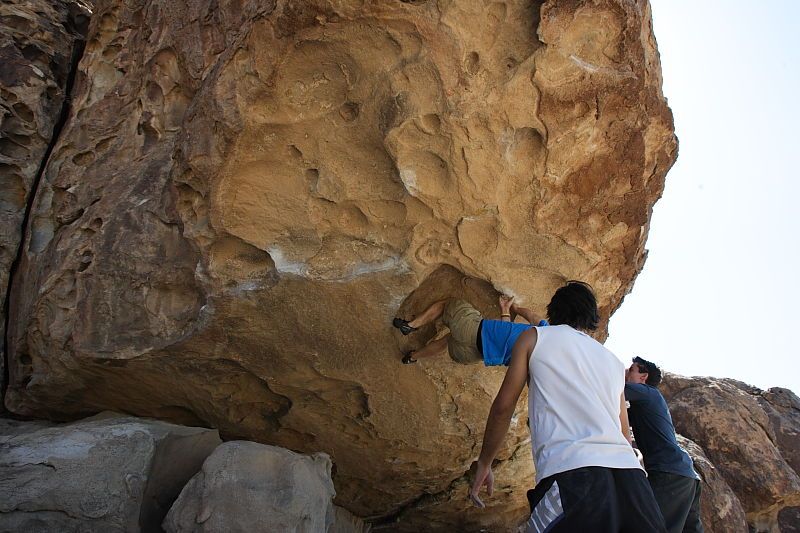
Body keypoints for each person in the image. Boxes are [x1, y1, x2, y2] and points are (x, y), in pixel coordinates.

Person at [469, 281, 667, 532]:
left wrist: (485, 462)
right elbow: (624, 436)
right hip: (633, 483)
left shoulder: (534, 337)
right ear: (591, 317)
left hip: (573, 475)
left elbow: (503, 407)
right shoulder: (614, 363)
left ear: (554, 311)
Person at [625, 357, 704, 533]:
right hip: (686, 475)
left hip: (669, 473)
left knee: (649, 525)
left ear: (643, 377)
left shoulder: (647, 392)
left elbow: (609, 388)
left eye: (631, 370)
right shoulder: (646, 404)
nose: (625, 373)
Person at [392, 296, 548, 365]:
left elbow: (531, 316)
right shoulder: (538, 362)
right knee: (449, 339)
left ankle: (411, 325)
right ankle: (412, 357)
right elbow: (503, 338)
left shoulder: (549, 332)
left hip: (472, 330)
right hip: (469, 356)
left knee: (449, 304)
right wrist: (505, 311)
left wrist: (517, 308)